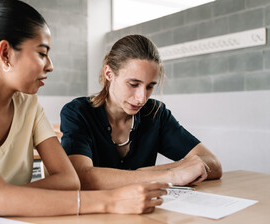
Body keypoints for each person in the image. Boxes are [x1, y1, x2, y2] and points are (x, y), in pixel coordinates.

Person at [0, 1, 169, 224]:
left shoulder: (28, 105)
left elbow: (68, 180)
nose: (51, 65)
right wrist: (109, 200)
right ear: (5, 53)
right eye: (42, 53)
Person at [60, 34, 222, 190]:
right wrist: (171, 175)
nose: (142, 98)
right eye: (133, 84)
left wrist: (143, 174)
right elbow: (80, 176)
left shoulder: (156, 114)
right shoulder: (77, 112)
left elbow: (213, 164)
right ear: (109, 74)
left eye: (150, 86)